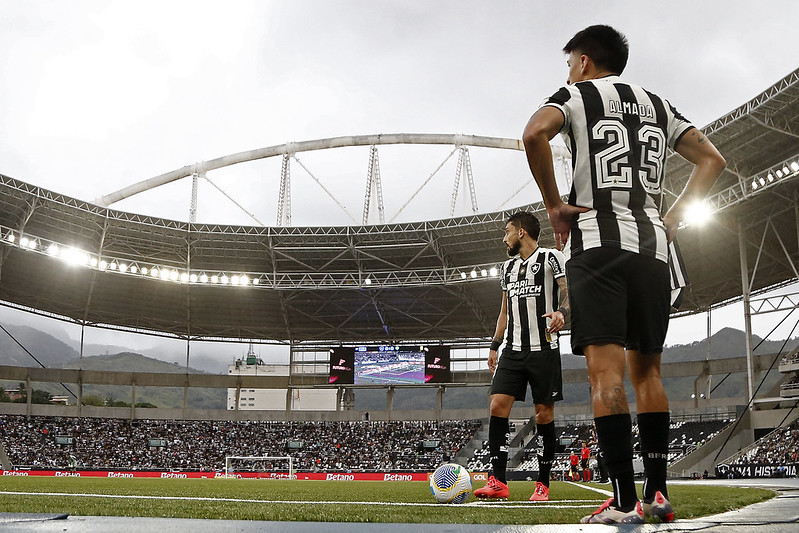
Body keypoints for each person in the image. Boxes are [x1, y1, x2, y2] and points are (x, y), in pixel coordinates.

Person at [522, 25, 726, 524]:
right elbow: (712, 159)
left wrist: (553, 206)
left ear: (585, 61)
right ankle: (657, 494)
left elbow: (533, 134)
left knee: (606, 376)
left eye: (570, 61)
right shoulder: (659, 104)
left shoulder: (575, 95)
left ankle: (623, 501)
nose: (568, 70)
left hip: (598, 247)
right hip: (653, 251)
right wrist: (673, 218)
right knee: (648, 372)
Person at [473, 211, 568, 502]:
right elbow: (504, 311)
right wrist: (494, 345)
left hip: (545, 349)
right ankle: (498, 480)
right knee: (497, 404)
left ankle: (542, 484)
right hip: (513, 350)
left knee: (544, 414)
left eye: (507, 232)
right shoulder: (508, 268)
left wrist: (562, 313)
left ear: (522, 232)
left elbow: (569, 293)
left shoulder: (552, 258)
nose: (505, 238)